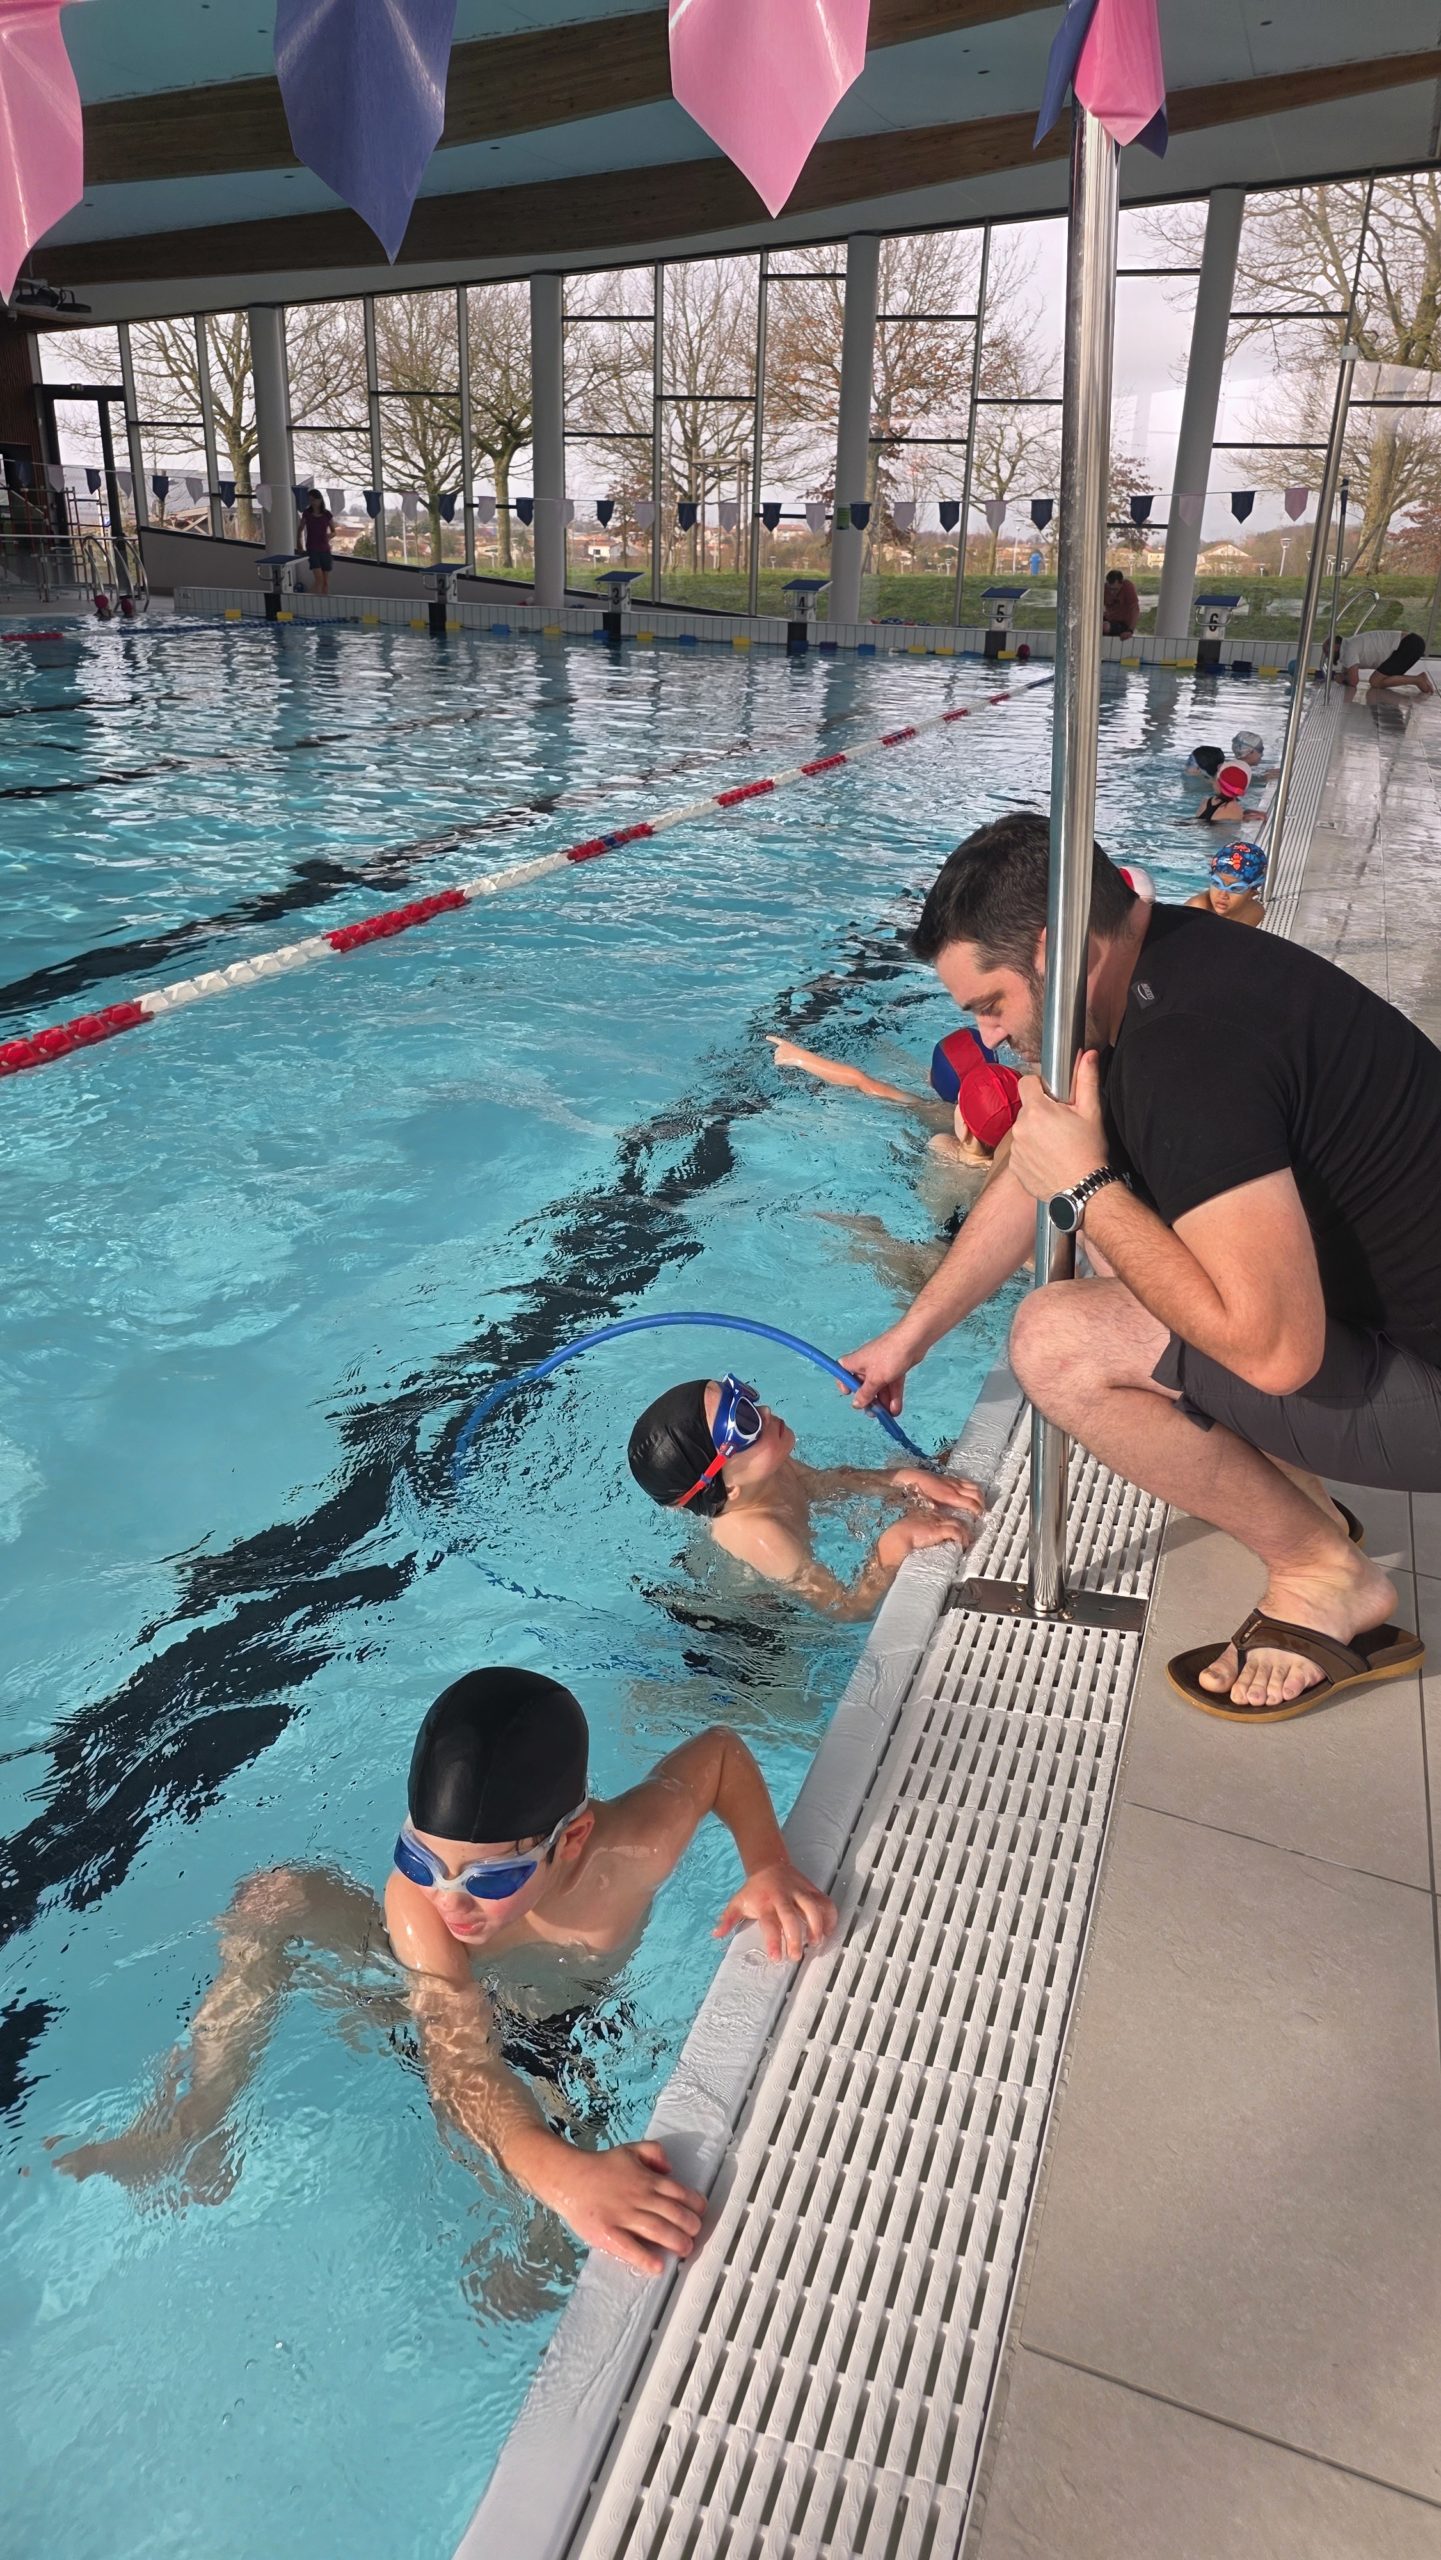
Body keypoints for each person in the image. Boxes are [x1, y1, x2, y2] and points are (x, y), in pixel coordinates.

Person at [841, 810, 1441, 1722]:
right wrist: (911, 1336)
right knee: (1133, 1248)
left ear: (1051, 949)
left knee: (1056, 1340)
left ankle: (1323, 1572)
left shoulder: (1185, 1054)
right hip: (1397, 1316)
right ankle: (1306, 1503)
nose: (991, 1037)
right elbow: (1033, 1160)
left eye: (990, 1004)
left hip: (1425, 1384)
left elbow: (1274, 1353)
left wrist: (1088, 1189)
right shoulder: (1167, 962)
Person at [57, 1667, 836, 2275]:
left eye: (490, 1877)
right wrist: (556, 2173)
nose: (448, 1900)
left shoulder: (635, 1847)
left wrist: (766, 1864)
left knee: (541, 2248)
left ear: (571, 1840)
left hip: (550, 2027)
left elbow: (721, 1754)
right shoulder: (420, 1908)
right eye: (420, 1858)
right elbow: (458, 2065)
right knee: (274, 1899)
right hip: (439, 2002)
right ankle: (199, 2116)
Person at [627, 1375, 983, 1619]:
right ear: (727, 1486)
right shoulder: (761, 1535)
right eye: (745, 1423)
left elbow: (826, 1485)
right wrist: (895, 1542)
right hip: (749, 1627)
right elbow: (846, 1609)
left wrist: (905, 1479)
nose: (765, 1412)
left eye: (746, 1399)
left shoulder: (766, 1469)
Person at [1187, 838, 1266, 927]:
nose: (1223, 895)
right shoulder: (1197, 908)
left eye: (1236, 888)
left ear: (1252, 894)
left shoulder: (1253, 912)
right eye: (1217, 883)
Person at [1183, 729, 1275, 785]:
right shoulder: (1237, 771)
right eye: (1261, 749)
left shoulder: (1231, 765)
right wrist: (1262, 779)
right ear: (1251, 751)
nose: (1262, 754)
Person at [1194, 760, 1266, 829]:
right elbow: (1223, 831)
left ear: (1219, 784)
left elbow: (1208, 821)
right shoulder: (1235, 809)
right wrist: (1244, 820)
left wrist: (1243, 814)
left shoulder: (1207, 801)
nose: (1212, 781)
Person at [1367, 632, 1435, 697]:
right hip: (1411, 641)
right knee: (1378, 679)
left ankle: (1418, 680)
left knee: (1376, 681)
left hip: (1411, 645)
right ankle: (1418, 679)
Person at [297, 487, 335, 597]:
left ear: (320, 499)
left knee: (325, 582)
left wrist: (329, 536)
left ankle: (323, 603)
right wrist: (299, 543)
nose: (312, 502)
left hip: (325, 550)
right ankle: (306, 600)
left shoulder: (327, 514)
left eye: (314, 499)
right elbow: (300, 529)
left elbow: (334, 532)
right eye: (310, 500)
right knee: (319, 580)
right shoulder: (307, 514)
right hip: (312, 549)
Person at [1102, 568, 1140, 638]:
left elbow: (1135, 609)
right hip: (1109, 619)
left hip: (1123, 623)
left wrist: (1130, 630)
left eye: (1115, 589)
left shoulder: (1127, 587)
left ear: (1121, 584)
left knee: (1105, 626)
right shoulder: (1104, 588)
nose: (1112, 592)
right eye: (1110, 589)